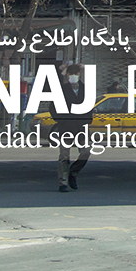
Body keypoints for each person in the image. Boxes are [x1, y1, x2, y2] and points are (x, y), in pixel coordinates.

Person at [54, 62, 94, 192]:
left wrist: (87, 120)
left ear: (79, 74)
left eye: (75, 73)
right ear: (67, 75)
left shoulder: (85, 89)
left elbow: (90, 107)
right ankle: (63, 182)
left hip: (81, 127)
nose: (73, 76)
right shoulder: (62, 89)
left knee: (86, 152)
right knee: (64, 156)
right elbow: (53, 108)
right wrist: (62, 120)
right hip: (66, 127)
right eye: (71, 73)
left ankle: (73, 172)